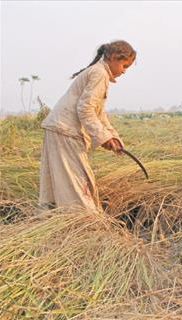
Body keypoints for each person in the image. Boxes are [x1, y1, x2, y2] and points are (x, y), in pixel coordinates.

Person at [39, 40, 136, 212]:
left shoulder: (99, 73)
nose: (124, 71)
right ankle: (88, 226)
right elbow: (85, 109)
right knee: (77, 185)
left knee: (61, 185)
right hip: (65, 131)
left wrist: (112, 136)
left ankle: (54, 222)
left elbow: (98, 113)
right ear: (113, 58)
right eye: (124, 65)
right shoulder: (99, 74)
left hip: (61, 130)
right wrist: (103, 137)